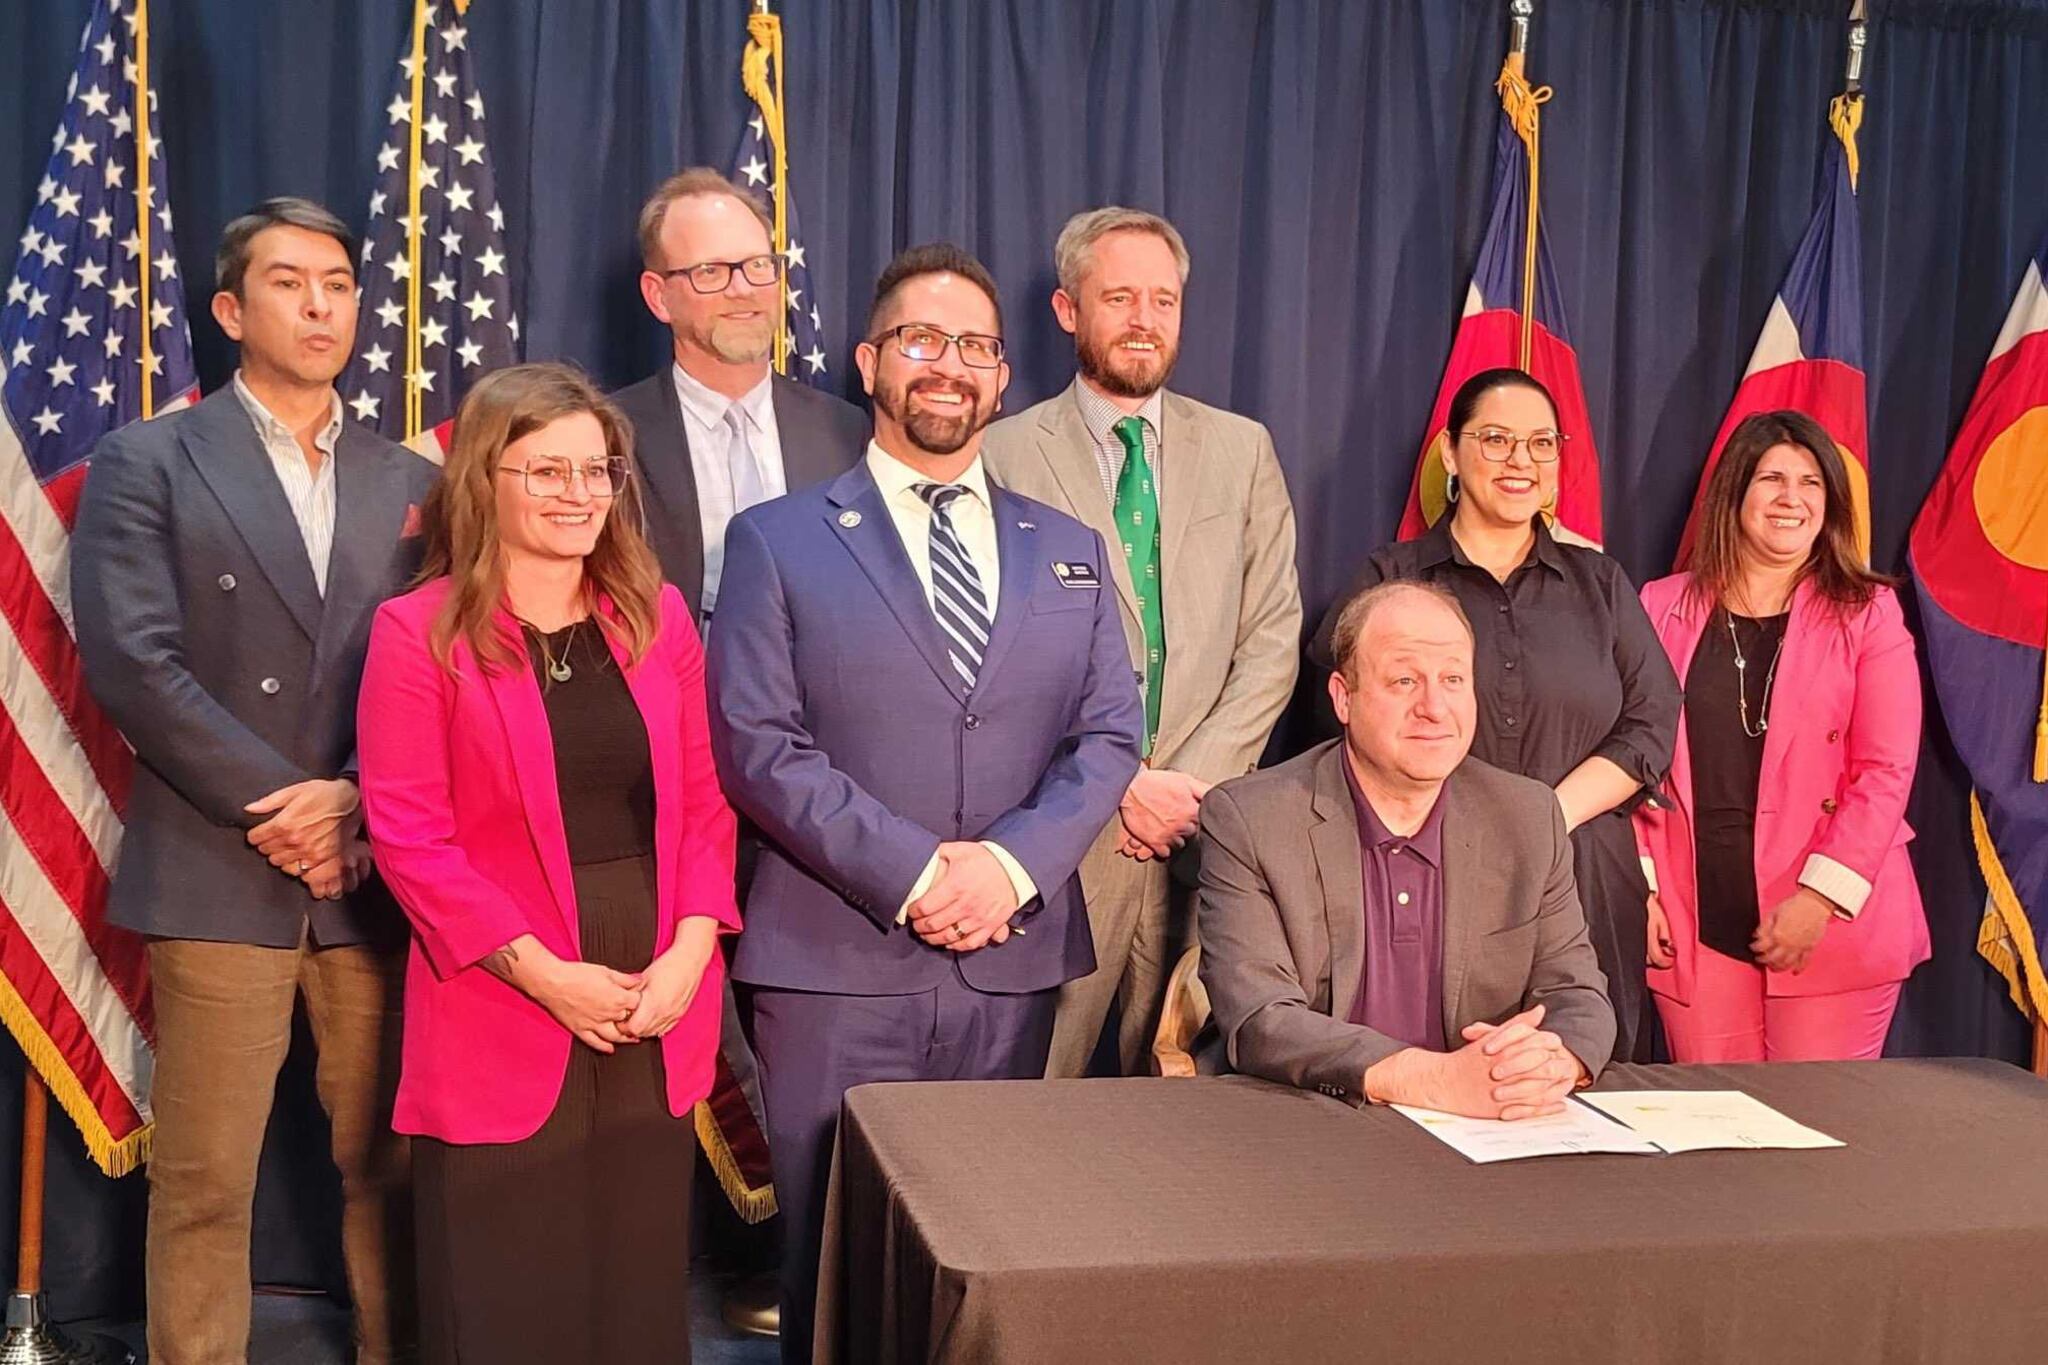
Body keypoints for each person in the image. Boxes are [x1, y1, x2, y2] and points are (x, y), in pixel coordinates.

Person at [707, 243, 1143, 1362]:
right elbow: (758, 744)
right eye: (919, 341)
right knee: (834, 1268)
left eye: (974, 348)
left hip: (1010, 961)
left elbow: (1107, 739)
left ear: (1002, 378)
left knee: (983, 1260)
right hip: (832, 969)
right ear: (868, 363)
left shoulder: (1072, 553)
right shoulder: (777, 541)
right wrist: (915, 874)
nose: (947, 366)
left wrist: (1002, 870)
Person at [71, 198, 431, 1365]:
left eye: (337, 282)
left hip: (374, 868)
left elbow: (452, 663)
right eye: (289, 282)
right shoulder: (147, 459)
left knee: (387, 1166)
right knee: (206, 1179)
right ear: (231, 310)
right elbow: (134, 660)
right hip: (223, 864)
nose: (320, 304)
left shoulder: (409, 474)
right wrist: (293, 806)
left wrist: (362, 801)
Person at [356, 363, 740, 1363]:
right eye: (546, 471)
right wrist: (544, 977)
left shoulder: (648, 617)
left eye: (596, 470)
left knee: (633, 1283)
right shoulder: (417, 631)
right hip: (501, 986)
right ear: (487, 480)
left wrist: (692, 952)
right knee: (505, 1291)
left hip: (653, 983)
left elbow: (703, 804)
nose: (578, 493)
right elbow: (408, 837)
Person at [983, 206, 1301, 1077]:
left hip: (1206, 829)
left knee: (1181, 1099)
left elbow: (1273, 633)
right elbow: (991, 658)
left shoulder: (1242, 450)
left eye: (1162, 300)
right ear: (1066, 309)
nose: (1144, 319)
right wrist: (1119, 784)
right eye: (1119, 296)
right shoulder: (1003, 454)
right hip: (1065, 835)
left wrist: (1189, 784)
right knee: (1035, 1093)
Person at [1311, 367, 1679, 1062]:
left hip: (1584, 870)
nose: (1521, 461)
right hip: (1421, 867)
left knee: (1578, 1079)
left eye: (1541, 444)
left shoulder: (1600, 583)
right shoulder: (1392, 581)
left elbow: (1653, 718)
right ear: (1451, 452)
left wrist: (1543, 819)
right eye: (1497, 440)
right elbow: (1340, 721)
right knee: (1432, 1084)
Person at [1200, 581, 1615, 1112]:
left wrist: (1553, 1061)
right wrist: (1431, 1079)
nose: (1434, 708)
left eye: (1452, 680)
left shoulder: (1528, 817)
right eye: (1403, 680)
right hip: (1307, 1117)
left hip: (1482, 1128)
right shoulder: (1250, 818)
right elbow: (1261, 1017)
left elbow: (1576, 993)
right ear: (1343, 698)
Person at [1635, 411, 1929, 1061]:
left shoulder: (1867, 611)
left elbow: (1885, 770)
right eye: (1771, 477)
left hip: (1828, 924)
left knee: (1816, 1144)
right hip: (1693, 924)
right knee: (1714, 1143)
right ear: (1735, 493)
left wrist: (1819, 899)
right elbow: (1633, 756)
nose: (1791, 497)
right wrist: (1643, 887)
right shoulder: (1659, 605)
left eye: (1811, 482)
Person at [614, 167, 868, 622]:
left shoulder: (845, 430)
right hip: (667, 677)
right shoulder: (611, 434)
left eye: (758, 265)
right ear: (658, 297)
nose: (743, 289)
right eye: (710, 271)